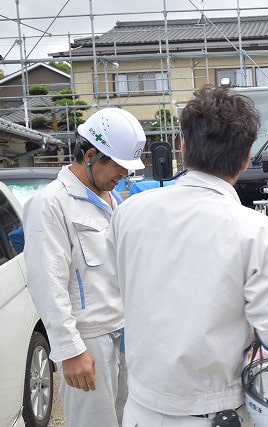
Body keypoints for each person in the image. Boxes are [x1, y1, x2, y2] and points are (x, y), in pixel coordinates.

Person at [105, 85, 268, 426]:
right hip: (214, 411)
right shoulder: (255, 230)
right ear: (245, 159)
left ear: (183, 149)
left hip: (142, 408)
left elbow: (116, 283)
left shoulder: (128, 213)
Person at [23, 107, 147, 427]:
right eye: (118, 168)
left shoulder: (110, 198)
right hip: (88, 340)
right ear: (90, 154)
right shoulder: (51, 203)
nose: (124, 176)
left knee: (130, 419)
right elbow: (47, 283)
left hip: (122, 333)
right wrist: (70, 350)